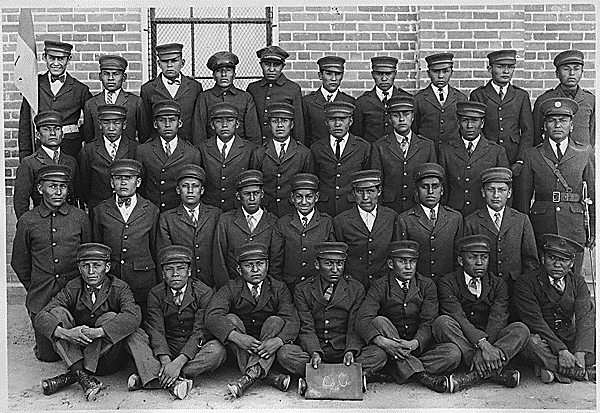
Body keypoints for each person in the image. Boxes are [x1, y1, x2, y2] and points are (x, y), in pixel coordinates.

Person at [34, 243, 142, 401]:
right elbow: (41, 316)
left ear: (107, 267)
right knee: (56, 313)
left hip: (107, 359)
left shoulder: (119, 287)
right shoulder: (73, 287)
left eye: (97, 266)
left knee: (110, 317)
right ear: (79, 268)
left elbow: (134, 316)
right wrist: (66, 333)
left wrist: (100, 332)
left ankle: (74, 375)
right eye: (86, 266)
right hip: (78, 351)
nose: (91, 272)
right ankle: (82, 377)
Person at [278, 241, 388, 390]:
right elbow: (306, 327)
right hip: (315, 349)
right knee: (285, 354)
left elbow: (354, 326)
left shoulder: (356, 288)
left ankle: (315, 379)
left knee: (379, 355)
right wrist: (314, 352)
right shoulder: (303, 289)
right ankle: (350, 378)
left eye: (340, 264)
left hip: (343, 350)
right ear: (317, 265)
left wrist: (350, 351)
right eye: (329, 264)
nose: (335, 269)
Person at [355, 240, 461, 392]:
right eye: (402, 262)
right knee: (379, 321)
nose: (408, 267)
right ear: (391, 264)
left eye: (412, 261)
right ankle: (422, 376)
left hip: (416, 348)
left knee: (452, 354)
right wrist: (383, 342)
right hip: (390, 346)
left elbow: (429, 320)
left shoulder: (427, 285)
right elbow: (362, 319)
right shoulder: (380, 285)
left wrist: (415, 343)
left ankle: (393, 372)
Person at [11, 164, 91, 362]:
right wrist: (35, 286)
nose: (58, 192)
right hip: (42, 297)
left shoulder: (80, 218)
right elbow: (19, 262)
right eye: (52, 186)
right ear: (40, 189)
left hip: (75, 297)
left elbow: (89, 255)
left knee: (84, 346)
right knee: (49, 357)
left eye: (63, 187)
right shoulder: (28, 220)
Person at [126, 245, 227, 399]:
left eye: (180, 269)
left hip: (193, 346)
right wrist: (166, 360)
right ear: (163, 273)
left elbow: (200, 332)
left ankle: (153, 376)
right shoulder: (156, 293)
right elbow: (156, 330)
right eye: (169, 269)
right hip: (167, 344)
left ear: (189, 271)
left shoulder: (204, 292)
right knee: (135, 336)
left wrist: (178, 363)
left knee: (218, 351)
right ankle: (174, 381)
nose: (175, 274)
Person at [433, 235, 528, 393]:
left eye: (484, 257)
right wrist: (482, 345)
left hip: (491, 338)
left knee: (521, 329)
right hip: (463, 336)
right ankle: (491, 372)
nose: (479, 263)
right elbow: (458, 317)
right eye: (472, 257)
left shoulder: (497, 283)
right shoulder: (447, 282)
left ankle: (474, 375)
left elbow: (498, 318)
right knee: (442, 323)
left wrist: (486, 347)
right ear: (461, 261)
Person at [205, 243, 299, 399]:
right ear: (239, 269)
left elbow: (292, 319)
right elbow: (211, 316)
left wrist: (278, 341)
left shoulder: (278, 288)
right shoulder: (231, 287)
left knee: (274, 321)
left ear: (267, 265)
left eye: (260, 264)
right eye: (249, 265)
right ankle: (267, 376)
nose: (255, 270)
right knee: (230, 319)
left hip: (269, 343)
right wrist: (237, 337)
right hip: (241, 346)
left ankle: (247, 378)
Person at [515, 97, 595, 275]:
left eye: (563, 121)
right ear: (544, 126)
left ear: (571, 125)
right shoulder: (532, 154)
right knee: (541, 276)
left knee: (573, 277)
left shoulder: (584, 153)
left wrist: (593, 229)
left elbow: (592, 194)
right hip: (542, 224)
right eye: (552, 121)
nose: (557, 125)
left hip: (574, 225)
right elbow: (523, 198)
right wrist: (524, 233)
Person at [515, 234, 595, 384]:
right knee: (530, 343)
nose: (557, 264)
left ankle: (550, 368)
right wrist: (561, 350)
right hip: (544, 338)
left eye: (564, 260)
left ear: (571, 263)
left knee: (591, 341)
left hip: (568, 336)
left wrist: (580, 353)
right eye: (552, 258)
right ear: (543, 258)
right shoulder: (526, 282)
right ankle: (580, 372)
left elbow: (584, 316)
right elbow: (535, 322)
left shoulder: (578, 282)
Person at [464, 167, 539, 320]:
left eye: (502, 190)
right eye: (491, 190)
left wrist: (525, 289)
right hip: (484, 290)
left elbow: (531, 260)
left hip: (514, 289)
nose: (496, 195)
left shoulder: (521, 220)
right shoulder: (472, 221)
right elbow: (465, 260)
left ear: (509, 193)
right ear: (483, 192)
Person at [92, 159, 160, 317]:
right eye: (118, 178)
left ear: (138, 182)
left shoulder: (151, 210)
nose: (123, 182)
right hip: (113, 281)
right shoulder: (100, 210)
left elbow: (156, 249)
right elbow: (97, 249)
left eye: (128, 178)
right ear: (111, 182)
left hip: (142, 281)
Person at [18, 40, 92, 160]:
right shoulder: (33, 86)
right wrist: (24, 156)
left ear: (69, 59)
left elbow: (92, 121)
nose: (56, 63)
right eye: (52, 58)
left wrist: (76, 134)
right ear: (44, 57)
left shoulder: (80, 89)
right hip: (40, 150)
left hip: (70, 150)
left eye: (61, 59)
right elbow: (25, 125)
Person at [470, 50, 534, 185]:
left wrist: (521, 160)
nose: (506, 72)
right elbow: (476, 128)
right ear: (489, 69)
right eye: (500, 67)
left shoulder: (521, 96)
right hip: (487, 157)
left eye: (510, 67)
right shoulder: (479, 95)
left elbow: (528, 131)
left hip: (514, 158)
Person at [438, 101, 510, 217]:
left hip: (484, 215)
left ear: (482, 123)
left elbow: (505, 188)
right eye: (465, 120)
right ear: (458, 123)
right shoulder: (447, 151)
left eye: (474, 121)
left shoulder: (496, 151)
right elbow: (443, 188)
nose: (470, 126)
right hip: (455, 214)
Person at [395, 163, 463, 284]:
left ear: (442, 190)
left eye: (435, 186)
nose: (430, 191)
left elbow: (459, 257)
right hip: (418, 286)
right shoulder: (404, 219)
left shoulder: (455, 218)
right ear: (416, 191)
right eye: (425, 187)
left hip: (448, 284)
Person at [270, 173, 335, 294]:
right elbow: (276, 262)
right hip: (290, 287)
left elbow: (332, 260)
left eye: (309, 197)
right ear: (292, 198)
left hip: (318, 287)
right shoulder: (283, 223)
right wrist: (278, 290)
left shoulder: (326, 222)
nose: (304, 202)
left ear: (316, 197)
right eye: (299, 197)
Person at [157, 165, 222, 288]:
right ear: (178, 190)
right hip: (181, 283)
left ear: (202, 190)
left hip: (211, 281)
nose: (190, 190)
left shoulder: (216, 214)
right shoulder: (167, 218)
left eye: (195, 186)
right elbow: (165, 256)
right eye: (185, 186)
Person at [371, 95, 437, 214]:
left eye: (406, 114)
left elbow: (432, 179)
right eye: (396, 115)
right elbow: (377, 183)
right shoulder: (379, 146)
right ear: (390, 119)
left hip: (417, 206)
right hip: (390, 207)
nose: (401, 119)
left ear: (412, 117)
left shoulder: (427, 145)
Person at [212, 170, 278, 289]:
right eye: (247, 194)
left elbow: (275, 261)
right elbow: (219, 259)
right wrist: (228, 288)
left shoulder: (273, 222)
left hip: (265, 289)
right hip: (233, 287)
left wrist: (269, 290)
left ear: (262, 194)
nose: (252, 198)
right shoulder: (226, 220)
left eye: (256, 193)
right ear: (238, 196)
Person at [333, 170, 398, 290]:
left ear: (379, 191)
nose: (365, 197)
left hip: (384, 286)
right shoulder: (341, 221)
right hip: (353, 287)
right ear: (353, 193)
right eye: (359, 192)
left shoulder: (391, 217)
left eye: (370, 191)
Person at [135, 100, 202, 212]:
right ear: (155, 124)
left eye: (172, 120)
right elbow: (140, 186)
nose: (167, 125)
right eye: (162, 121)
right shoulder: (143, 151)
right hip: (152, 211)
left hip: (178, 215)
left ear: (179, 123)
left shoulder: (192, 153)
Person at [250, 102, 313, 217]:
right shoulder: (259, 153)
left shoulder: (304, 153)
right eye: (275, 121)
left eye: (284, 121)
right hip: (267, 211)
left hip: (292, 211)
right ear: (269, 125)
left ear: (292, 124)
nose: (279, 125)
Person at [14, 110, 80, 219]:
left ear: (62, 134)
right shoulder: (30, 163)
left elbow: (76, 196)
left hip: (69, 223)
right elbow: (21, 201)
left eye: (57, 129)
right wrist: (28, 226)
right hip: (42, 222)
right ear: (38, 135)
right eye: (46, 129)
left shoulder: (71, 161)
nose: (53, 133)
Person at [78, 104, 138, 222]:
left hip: (129, 209)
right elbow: (84, 183)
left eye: (116, 123)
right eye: (106, 123)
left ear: (124, 125)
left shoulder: (135, 148)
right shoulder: (89, 150)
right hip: (98, 208)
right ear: (99, 125)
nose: (111, 128)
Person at [311, 101, 371, 217]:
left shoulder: (363, 147)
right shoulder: (316, 148)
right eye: (332, 119)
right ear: (326, 122)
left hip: (352, 207)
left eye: (342, 119)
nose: (337, 124)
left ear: (351, 121)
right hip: (325, 208)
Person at [140, 43, 203, 144]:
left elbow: (198, 122)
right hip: (158, 147)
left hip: (188, 145)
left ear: (182, 63)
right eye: (165, 61)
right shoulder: (148, 89)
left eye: (174, 61)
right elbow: (145, 124)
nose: (169, 65)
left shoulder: (194, 87)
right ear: (159, 63)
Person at [199, 102, 257, 212]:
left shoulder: (249, 149)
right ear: (212, 125)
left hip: (237, 208)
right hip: (210, 208)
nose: (224, 125)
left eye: (230, 121)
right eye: (218, 121)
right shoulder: (202, 149)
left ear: (237, 124)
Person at [195, 51, 261, 145]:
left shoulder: (245, 97)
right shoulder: (205, 97)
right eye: (219, 71)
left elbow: (253, 131)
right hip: (211, 151)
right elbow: (199, 131)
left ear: (234, 75)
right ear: (213, 76)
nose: (223, 75)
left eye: (228, 71)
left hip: (241, 151)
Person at [533, 50, 595, 147]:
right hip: (552, 158)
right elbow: (536, 135)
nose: (572, 73)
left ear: (582, 72)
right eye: (566, 69)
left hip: (582, 158)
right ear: (557, 73)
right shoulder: (545, 100)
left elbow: (593, 135)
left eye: (576, 69)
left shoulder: (590, 100)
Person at [246, 45, 304, 144]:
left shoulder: (293, 89)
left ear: (283, 66)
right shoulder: (253, 88)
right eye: (267, 64)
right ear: (261, 65)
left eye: (276, 65)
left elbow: (298, 124)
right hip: (257, 146)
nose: (271, 69)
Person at [413, 52, 467, 153]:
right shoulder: (418, 99)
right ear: (428, 73)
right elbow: (415, 128)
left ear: (452, 72)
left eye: (445, 71)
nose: (441, 76)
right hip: (427, 152)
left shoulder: (460, 98)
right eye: (436, 72)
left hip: (452, 153)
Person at [83, 55, 143, 143]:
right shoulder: (91, 104)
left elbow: (144, 135)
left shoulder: (135, 102)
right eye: (106, 74)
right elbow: (89, 137)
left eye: (116, 74)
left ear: (124, 77)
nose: (111, 78)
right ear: (100, 76)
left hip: (128, 154)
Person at [352, 56, 412, 143]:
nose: (384, 79)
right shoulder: (362, 103)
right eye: (379, 74)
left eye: (388, 74)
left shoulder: (406, 99)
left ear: (395, 74)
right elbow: (357, 135)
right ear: (373, 75)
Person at [302, 56, 355, 148]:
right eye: (329, 74)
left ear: (342, 76)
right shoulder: (307, 102)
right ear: (320, 75)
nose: (333, 78)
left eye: (338, 74)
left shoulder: (350, 102)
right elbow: (304, 135)